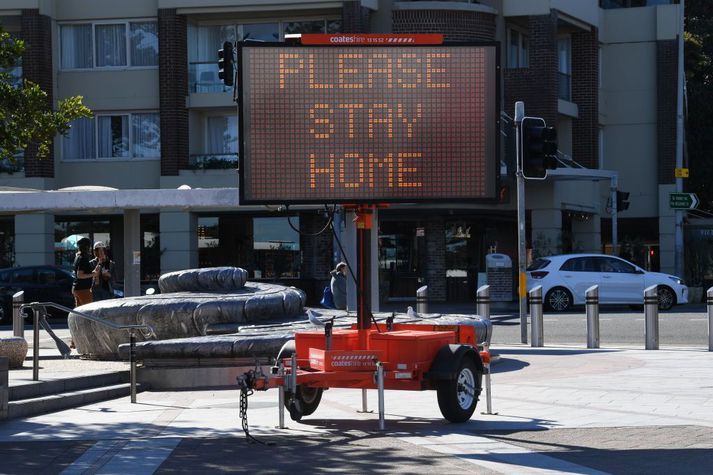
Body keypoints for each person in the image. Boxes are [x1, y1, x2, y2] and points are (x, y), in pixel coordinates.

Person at [72, 237, 98, 307]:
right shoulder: (83, 258)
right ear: (87, 247)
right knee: (88, 312)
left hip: (77, 288)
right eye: (89, 246)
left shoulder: (78, 257)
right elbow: (80, 275)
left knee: (79, 313)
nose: (90, 248)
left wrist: (91, 273)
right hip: (83, 289)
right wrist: (93, 274)